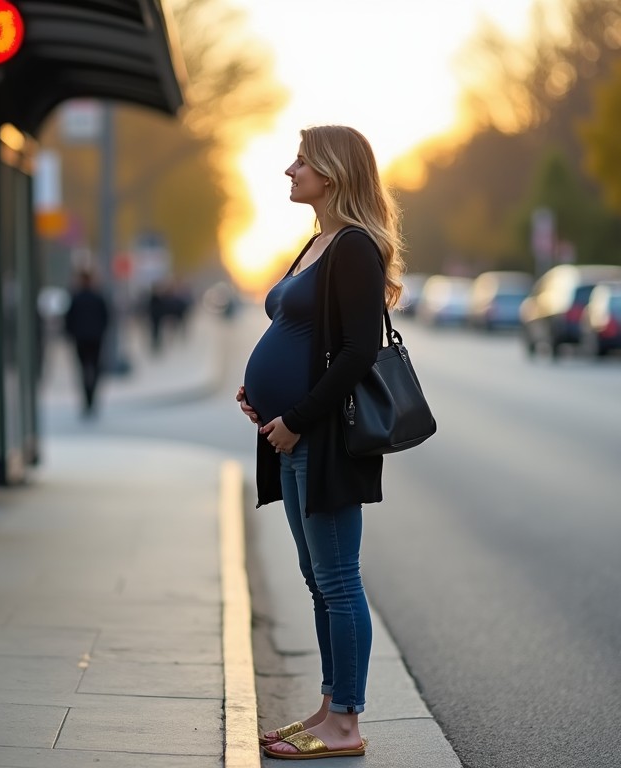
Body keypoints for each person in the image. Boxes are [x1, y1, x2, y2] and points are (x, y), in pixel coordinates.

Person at [235, 125, 404, 760]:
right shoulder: (318, 241)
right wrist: (261, 395)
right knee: (315, 575)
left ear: (332, 171)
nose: (289, 169)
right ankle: (330, 706)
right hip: (294, 432)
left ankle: (346, 724)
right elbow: (298, 333)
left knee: (337, 577)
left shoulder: (355, 246)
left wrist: (298, 416)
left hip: (323, 435)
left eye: (301, 160)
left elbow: (359, 349)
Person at [63, 267, 111, 417]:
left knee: (83, 369)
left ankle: (87, 399)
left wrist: (70, 334)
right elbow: (106, 318)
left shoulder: (75, 298)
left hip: (81, 338)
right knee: (95, 368)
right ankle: (91, 398)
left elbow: (68, 320)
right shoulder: (97, 297)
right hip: (95, 338)